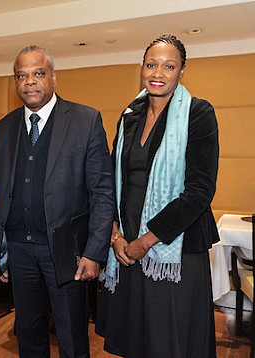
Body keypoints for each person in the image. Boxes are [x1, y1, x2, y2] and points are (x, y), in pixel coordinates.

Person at [95, 34, 219, 358]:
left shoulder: (197, 113)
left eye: (168, 66)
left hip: (173, 249)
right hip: (126, 245)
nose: (158, 73)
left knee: (168, 341)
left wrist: (146, 241)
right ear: (142, 68)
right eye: (152, 64)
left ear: (182, 71)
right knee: (137, 340)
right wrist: (115, 235)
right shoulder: (129, 116)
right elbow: (110, 178)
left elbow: (200, 191)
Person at [0, 45, 115, 358]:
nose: (29, 81)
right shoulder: (5, 127)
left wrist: (94, 251)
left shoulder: (85, 120)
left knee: (71, 335)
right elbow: (0, 192)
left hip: (66, 250)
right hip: (18, 249)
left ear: (53, 78)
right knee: (28, 334)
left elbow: (102, 191)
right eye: (21, 75)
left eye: (38, 73)